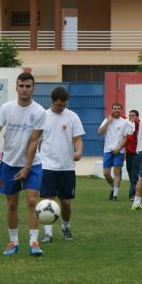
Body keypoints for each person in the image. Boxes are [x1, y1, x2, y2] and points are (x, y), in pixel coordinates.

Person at [0, 72, 46, 256]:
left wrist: (27, 167)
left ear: (33, 88)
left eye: (28, 86)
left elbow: (34, 142)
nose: (24, 89)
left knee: (33, 201)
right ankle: (13, 242)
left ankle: (34, 242)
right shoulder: (6, 108)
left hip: (32, 164)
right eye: (21, 86)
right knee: (11, 203)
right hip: (9, 162)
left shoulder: (39, 112)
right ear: (16, 87)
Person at [39, 87, 85, 243]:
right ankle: (48, 233)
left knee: (65, 202)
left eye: (63, 105)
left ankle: (65, 226)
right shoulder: (43, 117)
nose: (61, 108)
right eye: (58, 105)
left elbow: (78, 138)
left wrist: (79, 151)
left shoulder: (72, 117)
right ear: (53, 102)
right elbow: (37, 141)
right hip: (47, 165)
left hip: (66, 167)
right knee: (48, 201)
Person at [98, 101, 131, 201]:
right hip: (107, 150)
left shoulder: (124, 122)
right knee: (106, 173)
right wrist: (108, 122)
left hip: (119, 150)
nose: (116, 110)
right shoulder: (107, 120)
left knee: (117, 172)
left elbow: (126, 138)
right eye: (115, 108)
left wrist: (119, 148)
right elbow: (99, 132)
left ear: (121, 110)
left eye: (118, 108)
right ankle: (113, 188)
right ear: (112, 109)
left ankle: (115, 195)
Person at [125, 109, 140, 201]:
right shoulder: (128, 124)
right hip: (129, 153)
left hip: (136, 153)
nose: (131, 118)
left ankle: (132, 194)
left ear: (137, 117)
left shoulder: (138, 124)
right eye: (130, 116)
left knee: (134, 174)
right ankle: (136, 190)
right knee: (130, 172)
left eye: (133, 116)